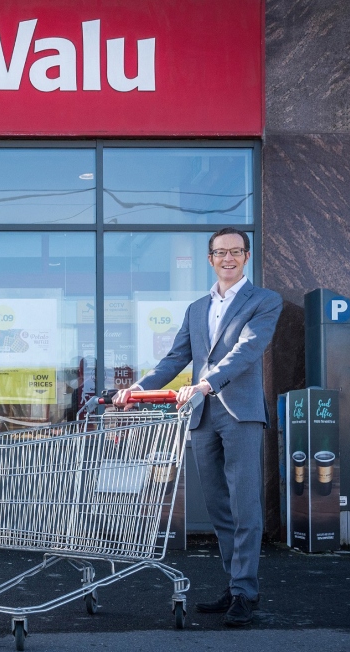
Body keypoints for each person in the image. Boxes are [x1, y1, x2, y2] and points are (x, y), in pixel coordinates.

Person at [113, 227, 282, 627]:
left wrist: (206, 383)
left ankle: (245, 591)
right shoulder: (195, 308)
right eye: (220, 252)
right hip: (202, 416)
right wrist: (137, 389)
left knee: (245, 506)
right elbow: (175, 359)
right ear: (210, 259)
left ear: (246, 257)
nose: (228, 258)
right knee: (220, 507)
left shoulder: (264, 301)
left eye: (235, 252)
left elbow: (247, 351)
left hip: (239, 412)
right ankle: (235, 583)